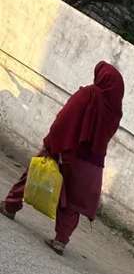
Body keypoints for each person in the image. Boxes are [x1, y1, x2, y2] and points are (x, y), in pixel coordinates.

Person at [1, 61, 124, 254]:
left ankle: (10, 206)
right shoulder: (115, 112)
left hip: (67, 150)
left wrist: (52, 143)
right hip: (91, 163)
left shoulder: (88, 94)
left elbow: (65, 119)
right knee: (73, 201)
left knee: (36, 174)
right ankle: (61, 240)